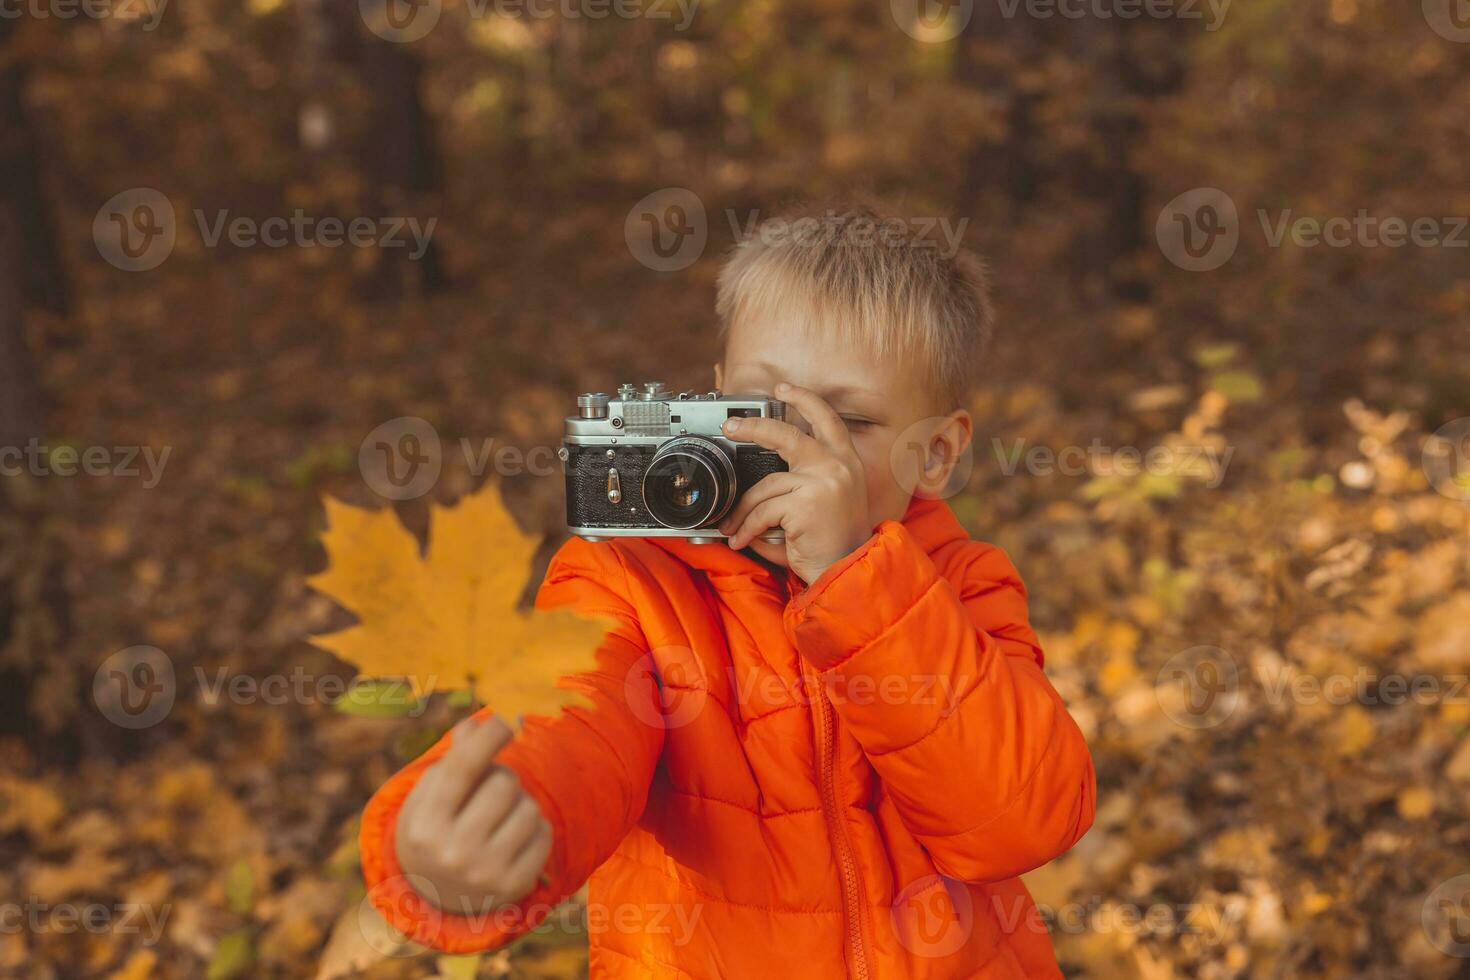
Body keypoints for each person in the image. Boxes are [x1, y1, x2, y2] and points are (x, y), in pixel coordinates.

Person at [359, 202, 1097, 978]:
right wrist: (497, 821)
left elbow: (1024, 821)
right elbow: (575, 716)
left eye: (848, 420)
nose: (793, 449)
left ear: (938, 453)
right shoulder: (631, 584)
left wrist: (856, 580)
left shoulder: (959, 588)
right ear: (711, 399)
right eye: (760, 409)